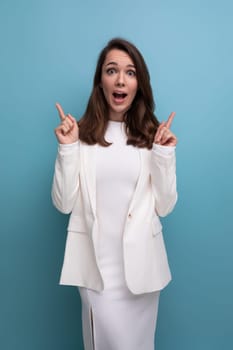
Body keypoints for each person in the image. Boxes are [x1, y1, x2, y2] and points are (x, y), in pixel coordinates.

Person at [51, 37, 178, 350]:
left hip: (142, 274)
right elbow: (63, 202)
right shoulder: (81, 136)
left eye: (130, 72)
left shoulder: (152, 138)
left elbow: (165, 205)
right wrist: (67, 148)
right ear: (101, 81)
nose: (121, 79)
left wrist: (163, 155)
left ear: (139, 84)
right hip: (97, 272)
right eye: (112, 71)